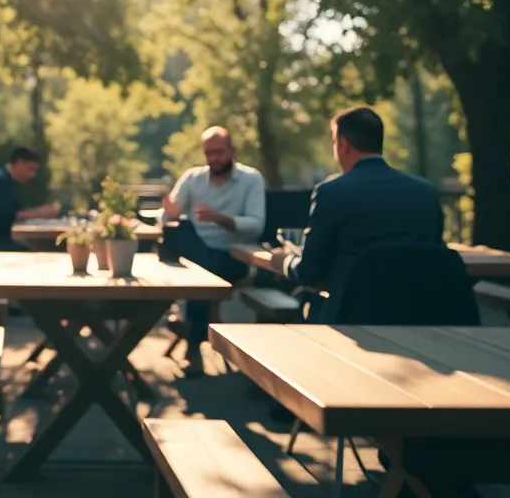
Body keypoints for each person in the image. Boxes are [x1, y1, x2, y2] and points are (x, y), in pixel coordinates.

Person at [277, 106, 443, 310]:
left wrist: (285, 261)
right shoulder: (425, 192)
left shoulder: (331, 192)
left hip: (354, 314)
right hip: (419, 312)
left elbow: (310, 273)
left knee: (304, 305)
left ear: (344, 145)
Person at [162, 126, 265, 377]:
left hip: (231, 254)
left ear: (232, 150)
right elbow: (166, 217)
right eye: (209, 153)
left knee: (204, 269)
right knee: (185, 232)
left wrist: (221, 218)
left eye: (219, 152)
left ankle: (192, 341)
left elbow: (256, 224)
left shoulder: (251, 179)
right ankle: (194, 338)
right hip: (196, 252)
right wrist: (169, 214)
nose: (213, 159)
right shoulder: (192, 178)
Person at [0, 146, 62, 255]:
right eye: (30, 169)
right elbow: (9, 215)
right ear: (19, 163)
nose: (33, 175)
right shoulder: (0, 182)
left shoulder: (6, 181)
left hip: (1, 240)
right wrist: (40, 213)